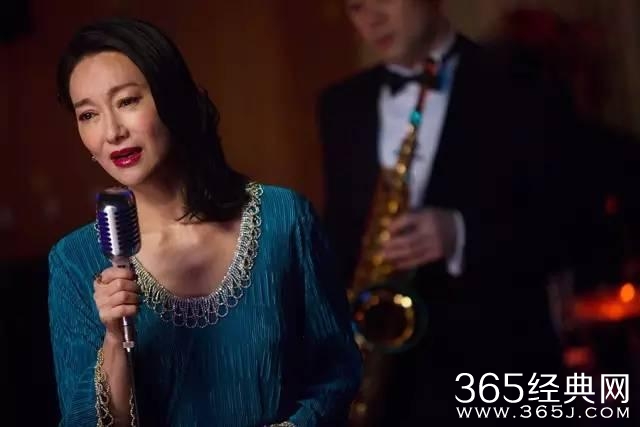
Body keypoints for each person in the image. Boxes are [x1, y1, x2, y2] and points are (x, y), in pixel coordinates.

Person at [48, 17, 361, 427]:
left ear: (172, 98)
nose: (112, 132)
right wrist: (113, 338)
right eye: (88, 114)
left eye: (127, 101)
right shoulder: (74, 260)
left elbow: (338, 372)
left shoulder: (284, 218)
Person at [317, 0, 564, 424]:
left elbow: (572, 223)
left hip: (502, 373)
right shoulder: (339, 104)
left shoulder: (523, 81)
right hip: (395, 390)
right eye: (356, 7)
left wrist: (459, 233)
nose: (371, 18)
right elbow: (341, 230)